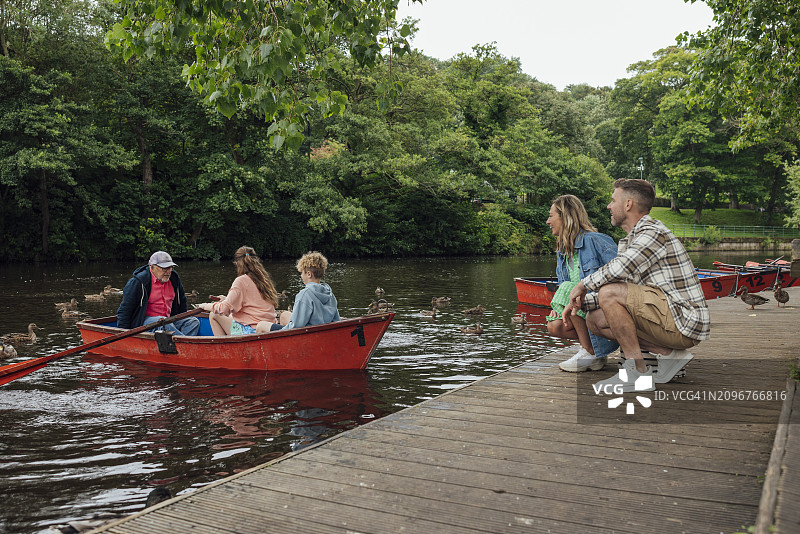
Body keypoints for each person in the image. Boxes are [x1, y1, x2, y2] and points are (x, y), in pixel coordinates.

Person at [564, 179, 710, 392]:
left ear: (628, 204)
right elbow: (625, 289)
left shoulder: (653, 232)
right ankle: (669, 354)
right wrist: (580, 303)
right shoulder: (630, 241)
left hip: (684, 320)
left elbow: (620, 270)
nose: (609, 206)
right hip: (667, 318)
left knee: (608, 293)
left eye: (613, 200)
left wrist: (582, 285)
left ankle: (637, 373)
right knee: (595, 320)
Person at [544, 195, 620, 372]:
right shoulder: (562, 250)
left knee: (570, 291)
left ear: (565, 216)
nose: (548, 221)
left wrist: (567, 295)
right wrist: (559, 303)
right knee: (554, 325)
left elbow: (622, 272)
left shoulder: (595, 240)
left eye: (551, 215)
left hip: (604, 305)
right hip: (581, 307)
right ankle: (596, 353)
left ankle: (590, 352)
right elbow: (564, 283)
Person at [196, 246, 282, 335]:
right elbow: (250, 303)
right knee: (228, 315)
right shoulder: (264, 279)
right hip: (269, 327)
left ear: (237, 263)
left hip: (251, 331)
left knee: (214, 315)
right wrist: (226, 300)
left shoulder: (241, 281)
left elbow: (224, 309)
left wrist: (204, 306)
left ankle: (223, 348)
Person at [116, 251, 200, 336]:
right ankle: (184, 344)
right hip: (143, 323)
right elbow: (125, 310)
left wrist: (182, 317)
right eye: (164, 268)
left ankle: (180, 346)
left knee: (193, 322)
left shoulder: (174, 278)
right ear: (152, 268)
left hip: (167, 320)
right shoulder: (138, 282)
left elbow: (182, 302)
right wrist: (123, 333)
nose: (168, 272)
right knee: (163, 322)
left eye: (170, 268)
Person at [278, 251, 340, 330]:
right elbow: (336, 321)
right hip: (324, 333)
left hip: (309, 335)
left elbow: (296, 327)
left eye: (301, 273)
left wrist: (278, 330)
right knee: (284, 315)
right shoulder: (330, 294)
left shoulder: (304, 294)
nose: (301, 276)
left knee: (262, 326)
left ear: (309, 274)